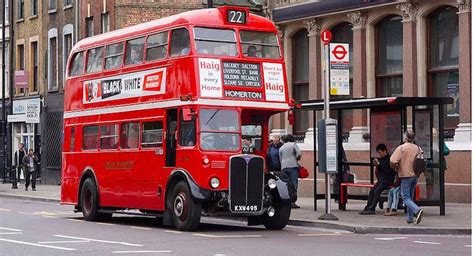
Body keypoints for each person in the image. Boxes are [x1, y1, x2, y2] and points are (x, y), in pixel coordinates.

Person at [390, 130, 424, 225]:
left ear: (405, 137)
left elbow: (393, 160)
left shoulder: (402, 148)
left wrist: (396, 168)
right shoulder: (417, 148)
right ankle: (410, 219)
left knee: (405, 198)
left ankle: (417, 210)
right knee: (410, 198)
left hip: (405, 175)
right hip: (415, 175)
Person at [359, 144, 396, 215]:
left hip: (388, 179)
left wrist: (379, 165)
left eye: (380, 153)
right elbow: (380, 170)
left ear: (384, 151)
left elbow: (388, 170)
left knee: (377, 191)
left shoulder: (390, 159)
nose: (379, 154)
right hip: (382, 179)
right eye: (378, 153)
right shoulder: (381, 159)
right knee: (372, 191)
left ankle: (372, 208)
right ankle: (368, 207)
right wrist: (377, 165)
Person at [425, 128, 450, 199]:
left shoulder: (440, 142)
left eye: (435, 134)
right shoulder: (427, 142)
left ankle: (437, 197)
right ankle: (429, 197)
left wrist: (440, 151)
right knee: (429, 182)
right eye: (432, 134)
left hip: (438, 165)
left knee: (438, 182)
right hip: (429, 166)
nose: (433, 136)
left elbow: (447, 151)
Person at [279, 134, 301, 209]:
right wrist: (297, 158)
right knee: (294, 183)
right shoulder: (293, 144)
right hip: (292, 166)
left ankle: (287, 200)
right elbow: (299, 153)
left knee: (286, 184)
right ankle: (293, 201)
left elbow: (280, 158)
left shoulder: (281, 147)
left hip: (284, 167)